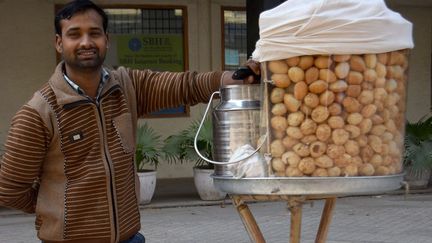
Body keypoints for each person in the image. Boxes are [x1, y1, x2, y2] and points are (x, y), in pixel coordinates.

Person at [0, 0, 259, 242]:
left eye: (94, 33)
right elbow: (10, 189)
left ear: (107, 40)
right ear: (59, 43)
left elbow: (185, 85)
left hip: (130, 237)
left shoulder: (127, 86)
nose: (86, 42)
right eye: (74, 34)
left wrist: (233, 78)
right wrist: (56, 206)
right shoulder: (38, 113)